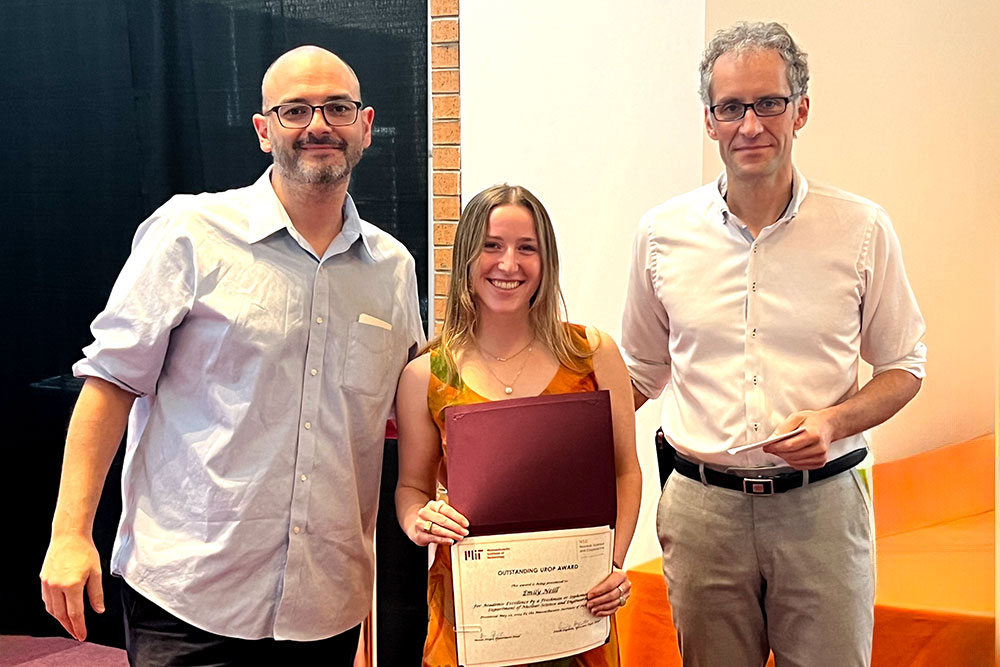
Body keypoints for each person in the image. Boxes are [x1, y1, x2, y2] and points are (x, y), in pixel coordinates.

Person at [39, 45, 423, 666]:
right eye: (294, 109)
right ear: (263, 129)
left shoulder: (392, 269)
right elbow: (109, 385)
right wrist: (68, 534)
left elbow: (410, 410)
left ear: (367, 126)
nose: (318, 125)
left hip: (325, 606)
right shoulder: (190, 231)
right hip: (190, 597)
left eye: (337, 108)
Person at [621, 21, 926, 667]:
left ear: (801, 109)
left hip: (821, 508)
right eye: (731, 107)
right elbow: (641, 373)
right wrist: (534, 429)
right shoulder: (661, 235)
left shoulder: (861, 228)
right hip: (703, 512)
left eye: (769, 103)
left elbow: (904, 366)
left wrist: (835, 419)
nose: (750, 125)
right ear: (709, 120)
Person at [394, 184, 642, 666]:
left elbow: (625, 471)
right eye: (491, 246)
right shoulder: (426, 375)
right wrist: (417, 520)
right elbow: (410, 487)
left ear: (545, 261)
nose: (508, 264)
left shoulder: (591, 354)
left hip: (578, 602)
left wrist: (613, 562)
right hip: (471, 614)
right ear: (466, 256)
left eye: (527, 248)